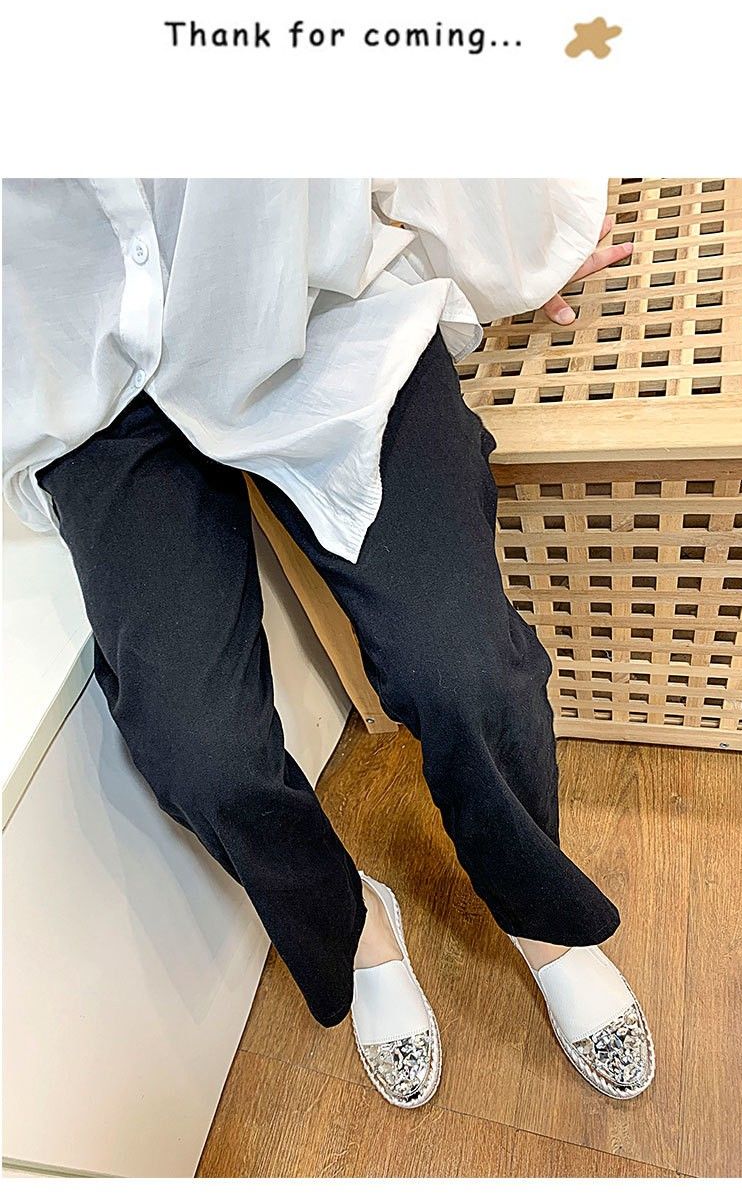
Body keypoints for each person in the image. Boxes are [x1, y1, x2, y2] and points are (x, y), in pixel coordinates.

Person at [2, 179, 654, 1107]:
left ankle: (542, 913)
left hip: (310, 307)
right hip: (93, 386)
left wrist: (528, 243)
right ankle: (357, 925)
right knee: (199, 754)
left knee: (464, 671)